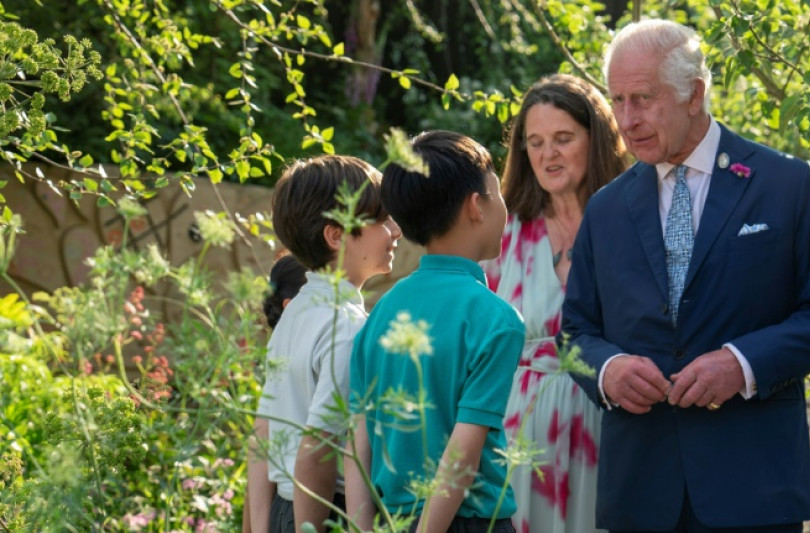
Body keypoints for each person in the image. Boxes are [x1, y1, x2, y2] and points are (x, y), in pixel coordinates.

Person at [560, 19, 810, 533]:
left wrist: (742, 364)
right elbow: (574, 333)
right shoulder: (605, 208)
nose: (627, 120)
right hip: (639, 492)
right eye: (618, 100)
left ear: (694, 94)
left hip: (754, 488)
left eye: (643, 99)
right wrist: (607, 371)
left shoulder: (785, 184)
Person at [346, 130, 524, 533]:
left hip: (390, 520)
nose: (504, 206)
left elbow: (357, 444)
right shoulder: (496, 320)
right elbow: (462, 455)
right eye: (497, 193)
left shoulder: (380, 313)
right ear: (475, 206)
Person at [481, 73, 626, 533]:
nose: (548, 155)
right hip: (521, 436)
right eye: (536, 142)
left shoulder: (630, 223)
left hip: (611, 427)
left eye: (564, 139)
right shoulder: (503, 233)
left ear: (596, 140)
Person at [251, 155, 402, 533]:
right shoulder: (346, 326)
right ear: (335, 236)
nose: (396, 230)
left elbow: (263, 433)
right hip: (323, 513)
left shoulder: (295, 314)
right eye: (383, 220)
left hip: (285, 509)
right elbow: (318, 448)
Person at [246, 253, 309, 533]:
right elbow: (261, 439)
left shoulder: (283, 357)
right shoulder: (291, 360)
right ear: (291, 306)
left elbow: (260, 441)